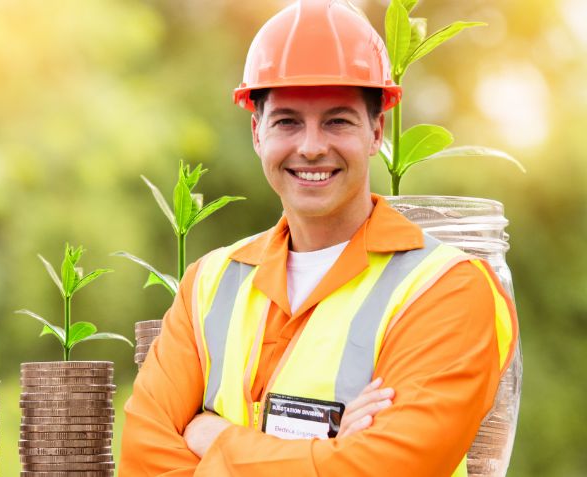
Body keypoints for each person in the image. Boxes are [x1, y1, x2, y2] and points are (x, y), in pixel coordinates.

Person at [118, 1, 518, 476]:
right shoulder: (208, 284)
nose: (310, 146)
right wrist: (330, 454)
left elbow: (390, 470)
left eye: (337, 120)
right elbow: (143, 459)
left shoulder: (448, 290)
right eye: (287, 121)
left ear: (376, 130)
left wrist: (217, 439)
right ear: (256, 132)